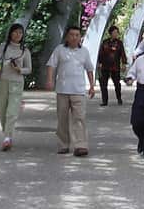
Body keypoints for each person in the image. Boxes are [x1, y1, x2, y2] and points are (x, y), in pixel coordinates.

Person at [45, 26, 96, 157]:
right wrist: (50, 80)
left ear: (80, 37)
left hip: (78, 90)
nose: (74, 37)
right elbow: (51, 65)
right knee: (62, 118)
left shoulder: (84, 51)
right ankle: (63, 144)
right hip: (62, 89)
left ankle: (80, 145)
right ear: (67, 36)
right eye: (72, 35)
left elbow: (89, 69)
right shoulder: (59, 50)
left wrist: (92, 85)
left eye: (77, 35)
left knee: (79, 118)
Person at [0, 23, 32, 151]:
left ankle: (7, 138)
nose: (18, 35)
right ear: (11, 33)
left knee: (12, 111)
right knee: (3, 111)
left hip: (17, 82)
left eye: (20, 33)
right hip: (1, 82)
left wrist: (19, 69)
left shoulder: (25, 50)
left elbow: (29, 69)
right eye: (15, 32)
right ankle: (7, 134)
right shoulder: (3, 47)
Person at [96, 25, 127, 106]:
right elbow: (101, 53)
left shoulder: (119, 43)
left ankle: (119, 98)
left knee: (117, 84)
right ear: (110, 33)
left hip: (115, 66)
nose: (116, 34)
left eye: (117, 32)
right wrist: (99, 62)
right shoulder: (105, 42)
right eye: (114, 32)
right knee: (103, 84)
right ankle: (104, 101)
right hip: (105, 66)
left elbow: (122, 54)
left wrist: (124, 63)